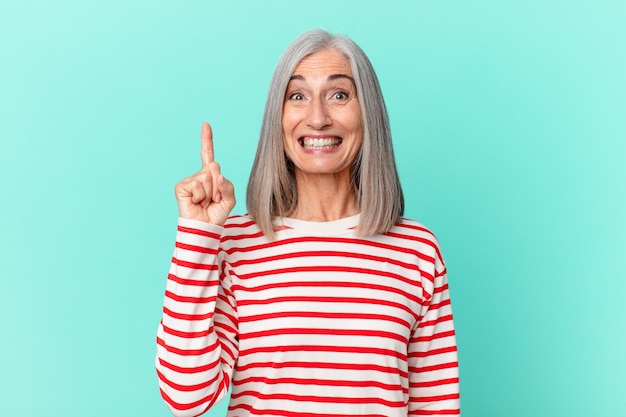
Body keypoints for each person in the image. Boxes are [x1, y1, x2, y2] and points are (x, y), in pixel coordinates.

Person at [156, 29, 460, 417]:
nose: (317, 118)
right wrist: (198, 237)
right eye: (297, 96)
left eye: (339, 95)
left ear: (369, 114)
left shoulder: (417, 250)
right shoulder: (232, 243)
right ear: (277, 118)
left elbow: (436, 407)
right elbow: (187, 398)